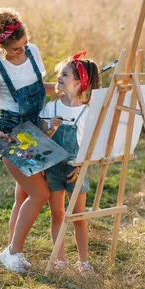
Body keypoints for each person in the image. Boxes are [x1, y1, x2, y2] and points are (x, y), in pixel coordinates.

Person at [0, 8, 55, 273]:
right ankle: (12, 253)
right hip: (12, 132)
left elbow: (40, 88)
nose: (21, 52)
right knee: (41, 193)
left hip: (36, 128)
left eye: (23, 46)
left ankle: (14, 250)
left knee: (23, 193)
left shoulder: (33, 51)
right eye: (14, 49)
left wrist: (67, 87)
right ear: (2, 45)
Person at [40, 51, 101, 273]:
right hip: (54, 167)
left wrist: (81, 164)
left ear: (78, 82)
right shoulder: (51, 108)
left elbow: (91, 144)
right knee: (57, 213)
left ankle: (83, 261)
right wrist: (51, 127)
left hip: (76, 168)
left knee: (78, 216)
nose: (59, 77)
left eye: (64, 74)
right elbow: (42, 137)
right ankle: (61, 258)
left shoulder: (87, 112)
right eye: (60, 73)